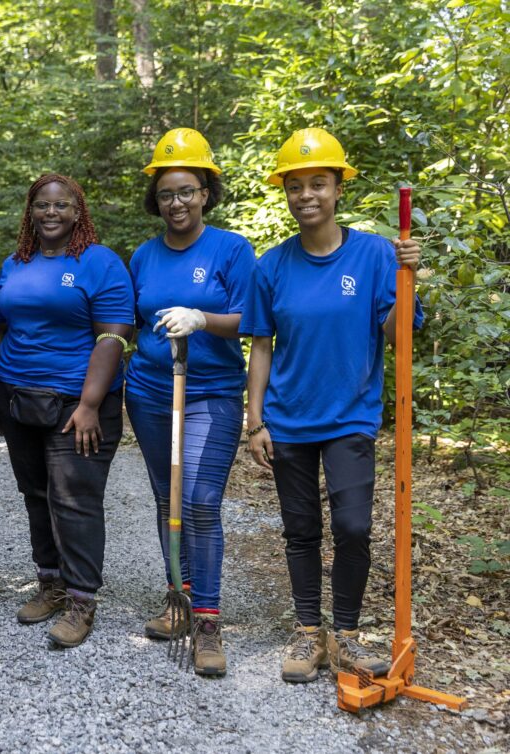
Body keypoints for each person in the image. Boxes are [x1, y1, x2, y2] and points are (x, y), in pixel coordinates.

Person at [240, 128, 423, 683]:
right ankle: (305, 634)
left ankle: (343, 633)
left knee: (352, 526)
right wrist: (254, 422)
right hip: (288, 418)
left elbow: (396, 336)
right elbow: (262, 345)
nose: (306, 196)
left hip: (350, 417)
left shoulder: (373, 254)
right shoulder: (271, 266)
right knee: (300, 529)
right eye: (295, 186)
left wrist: (408, 277)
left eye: (318, 183)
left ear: (338, 188)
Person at [126, 129, 256, 676]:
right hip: (151, 391)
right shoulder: (143, 255)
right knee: (166, 499)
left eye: (186, 191)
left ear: (206, 192)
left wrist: (203, 319)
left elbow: (254, 321)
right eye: (165, 194)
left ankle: (206, 619)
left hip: (211, 393)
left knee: (200, 501)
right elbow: (128, 322)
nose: (176, 202)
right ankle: (178, 599)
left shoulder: (231, 249)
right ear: (155, 201)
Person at [0, 173, 134, 649]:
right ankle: (50, 584)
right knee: (35, 492)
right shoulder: (14, 264)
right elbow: (1, 331)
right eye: (42, 206)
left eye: (61, 206)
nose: (51, 213)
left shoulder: (99, 263)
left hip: (77, 404)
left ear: (78, 212)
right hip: (18, 398)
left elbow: (113, 335)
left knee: (75, 500)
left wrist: (91, 403)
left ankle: (80, 599)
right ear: (30, 212)